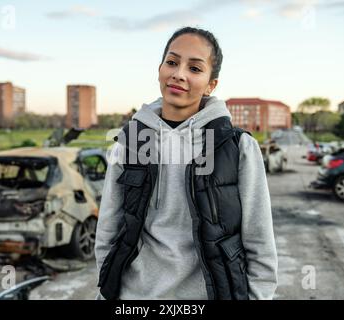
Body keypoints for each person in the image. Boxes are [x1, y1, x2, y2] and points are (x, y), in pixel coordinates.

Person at [95, 26, 278, 300]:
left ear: (210, 84)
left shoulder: (238, 147)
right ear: (159, 69)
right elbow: (109, 228)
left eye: (194, 68)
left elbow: (259, 241)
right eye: (172, 62)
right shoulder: (130, 142)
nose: (178, 74)